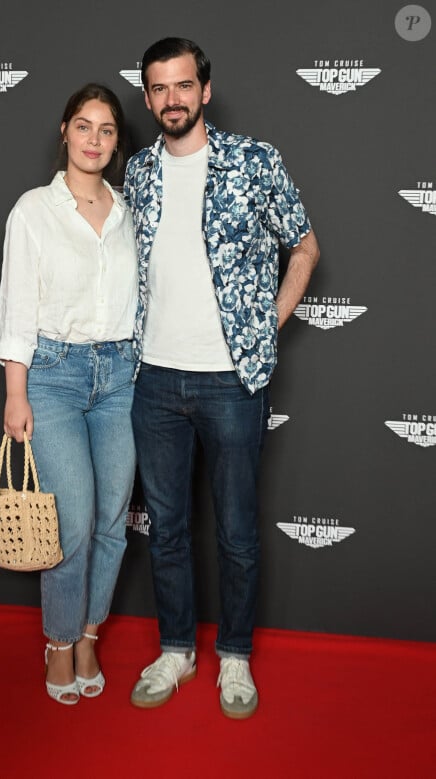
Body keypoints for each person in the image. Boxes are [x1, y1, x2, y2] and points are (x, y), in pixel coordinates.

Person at [124, 38, 320, 719]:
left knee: (236, 530)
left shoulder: (253, 160)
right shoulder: (139, 172)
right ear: (147, 97)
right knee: (168, 527)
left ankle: (233, 656)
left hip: (231, 380)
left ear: (205, 90)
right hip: (153, 381)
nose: (172, 98)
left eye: (184, 85)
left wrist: (269, 322)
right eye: (159, 87)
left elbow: (305, 244)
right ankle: (176, 647)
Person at [0, 83, 138, 706]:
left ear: (115, 141)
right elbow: (18, 308)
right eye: (84, 126)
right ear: (64, 131)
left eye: (106, 130)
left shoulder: (132, 212)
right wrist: (15, 394)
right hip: (52, 377)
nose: (95, 140)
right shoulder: (33, 210)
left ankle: (87, 634)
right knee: (72, 520)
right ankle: (57, 643)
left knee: (112, 521)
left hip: (122, 378)